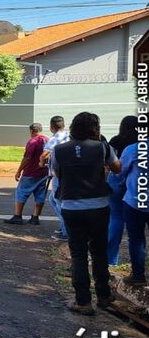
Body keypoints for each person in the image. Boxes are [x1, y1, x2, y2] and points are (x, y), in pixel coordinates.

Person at [52, 112, 121, 314]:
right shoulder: (103, 147)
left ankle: (83, 302)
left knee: (78, 255)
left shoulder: (58, 150)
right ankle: (104, 296)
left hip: (72, 207)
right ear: (96, 129)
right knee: (99, 252)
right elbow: (117, 168)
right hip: (99, 206)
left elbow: (58, 173)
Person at [4, 123, 50, 225]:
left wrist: (19, 170)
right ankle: (35, 217)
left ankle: (18, 216)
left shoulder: (32, 142)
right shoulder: (48, 140)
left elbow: (27, 158)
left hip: (30, 172)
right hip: (43, 172)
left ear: (32, 131)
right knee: (40, 195)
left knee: (21, 192)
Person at [107, 116, 138, 266]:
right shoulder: (140, 144)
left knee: (115, 218)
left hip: (117, 181)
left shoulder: (115, 141)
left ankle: (111, 258)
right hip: (138, 184)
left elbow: (110, 163)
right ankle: (138, 264)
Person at [120, 138, 148, 287]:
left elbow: (120, 170)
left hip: (135, 201)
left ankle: (138, 275)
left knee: (136, 239)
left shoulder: (133, 149)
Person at [38, 116, 70, 240]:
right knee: (53, 199)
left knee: (59, 202)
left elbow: (44, 153)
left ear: (52, 127)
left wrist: (41, 162)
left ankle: (66, 232)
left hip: (57, 174)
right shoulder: (68, 136)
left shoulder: (55, 138)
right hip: (67, 173)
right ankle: (64, 227)